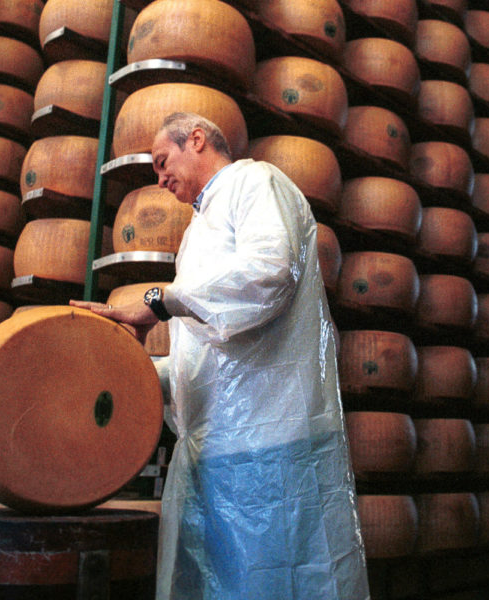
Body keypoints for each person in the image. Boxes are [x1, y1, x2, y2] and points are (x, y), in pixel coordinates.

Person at [71, 112, 369, 600]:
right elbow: (211, 354)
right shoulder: (198, 230)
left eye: (163, 161)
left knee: (281, 583)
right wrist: (135, 371)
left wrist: (157, 301)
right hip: (222, 451)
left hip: (273, 445)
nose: (159, 178)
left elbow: (269, 274)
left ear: (197, 138)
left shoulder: (254, 182)